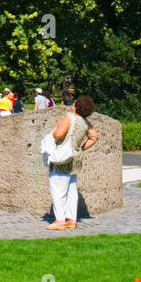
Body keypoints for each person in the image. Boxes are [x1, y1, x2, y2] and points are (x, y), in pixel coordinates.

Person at [41, 95, 99, 231]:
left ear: (76, 105)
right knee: (72, 190)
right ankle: (71, 219)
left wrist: (53, 135)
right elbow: (94, 137)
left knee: (57, 188)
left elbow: (58, 134)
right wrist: (80, 148)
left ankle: (59, 220)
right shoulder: (85, 122)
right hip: (75, 158)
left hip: (62, 157)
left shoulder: (70, 117)